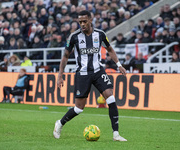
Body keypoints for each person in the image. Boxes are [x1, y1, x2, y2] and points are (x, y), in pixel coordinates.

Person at [53, 10, 127, 142]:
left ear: (90, 20)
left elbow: (110, 49)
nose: (82, 24)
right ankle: (60, 123)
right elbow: (65, 56)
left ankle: (116, 134)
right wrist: (60, 75)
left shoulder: (100, 34)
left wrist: (119, 64)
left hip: (98, 71)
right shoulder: (74, 37)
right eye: (80, 22)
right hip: (82, 74)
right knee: (79, 108)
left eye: (84, 21)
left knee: (110, 98)